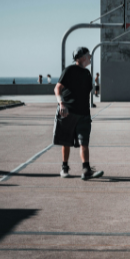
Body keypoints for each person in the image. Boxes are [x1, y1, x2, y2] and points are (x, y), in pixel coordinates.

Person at [54, 47, 104, 180]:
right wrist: (61, 104)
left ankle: (86, 170)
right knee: (66, 141)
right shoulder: (69, 70)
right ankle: (64, 167)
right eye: (89, 55)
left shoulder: (87, 73)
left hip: (83, 113)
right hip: (68, 111)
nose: (90, 58)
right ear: (81, 57)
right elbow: (57, 88)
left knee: (84, 142)